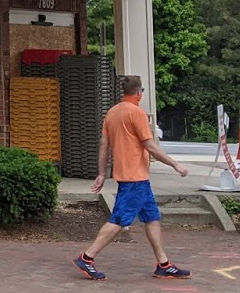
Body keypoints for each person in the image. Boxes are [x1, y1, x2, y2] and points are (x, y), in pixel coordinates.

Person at [73, 75, 190, 280]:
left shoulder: (112, 113)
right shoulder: (137, 113)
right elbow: (150, 146)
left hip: (135, 178)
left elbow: (104, 145)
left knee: (152, 218)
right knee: (119, 220)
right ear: (139, 92)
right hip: (134, 178)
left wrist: (101, 174)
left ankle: (163, 264)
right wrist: (175, 164)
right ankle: (87, 257)